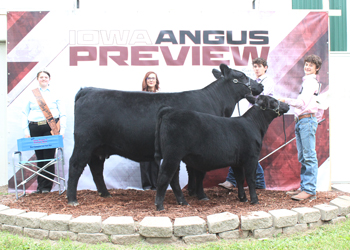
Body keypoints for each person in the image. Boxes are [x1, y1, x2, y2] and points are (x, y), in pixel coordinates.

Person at [218, 57, 275, 190]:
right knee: (242, 148)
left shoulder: (267, 82)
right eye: (255, 66)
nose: (257, 69)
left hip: (258, 119)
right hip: (250, 118)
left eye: (259, 66)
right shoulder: (254, 82)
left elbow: (261, 99)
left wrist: (245, 94)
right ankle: (233, 181)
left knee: (249, 150)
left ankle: (257, 183)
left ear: (265, 68)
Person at [279, 54, 322, 201]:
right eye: (306, 64)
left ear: (317, 68)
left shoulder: (310, 82)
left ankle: (309, 189)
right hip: (303, 121)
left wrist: (285, 100)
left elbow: (302, 103)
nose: (307, 67)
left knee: (308, 155)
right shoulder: (309, 82)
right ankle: (305, 187)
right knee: (304, 156)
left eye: (311, 65)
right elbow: (317, 104)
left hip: (306, 121)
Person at [22, 71, 66, 194]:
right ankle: (40, 187)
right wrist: (26, 131)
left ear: (49, 79)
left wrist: (62, 130)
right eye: (41, 77)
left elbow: (62, 113)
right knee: (40, 158)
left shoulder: (55, 93)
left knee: (48, 158)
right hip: (35, 128)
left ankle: (46, 187)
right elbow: (24, 113)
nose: (44, 79)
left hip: (50, 127)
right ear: (37, 79)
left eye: (46, 77)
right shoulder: (31, 94)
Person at [139, 71, 160, 190]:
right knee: (144, 158)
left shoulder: (161, 96)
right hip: (142, 130)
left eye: (153, 78)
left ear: (156, 81)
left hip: (156, 130)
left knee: (156, 158)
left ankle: (156, 185)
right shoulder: (140, 96)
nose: (151, 80)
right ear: (145, 80)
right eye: (149, 78)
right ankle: (147, 185)